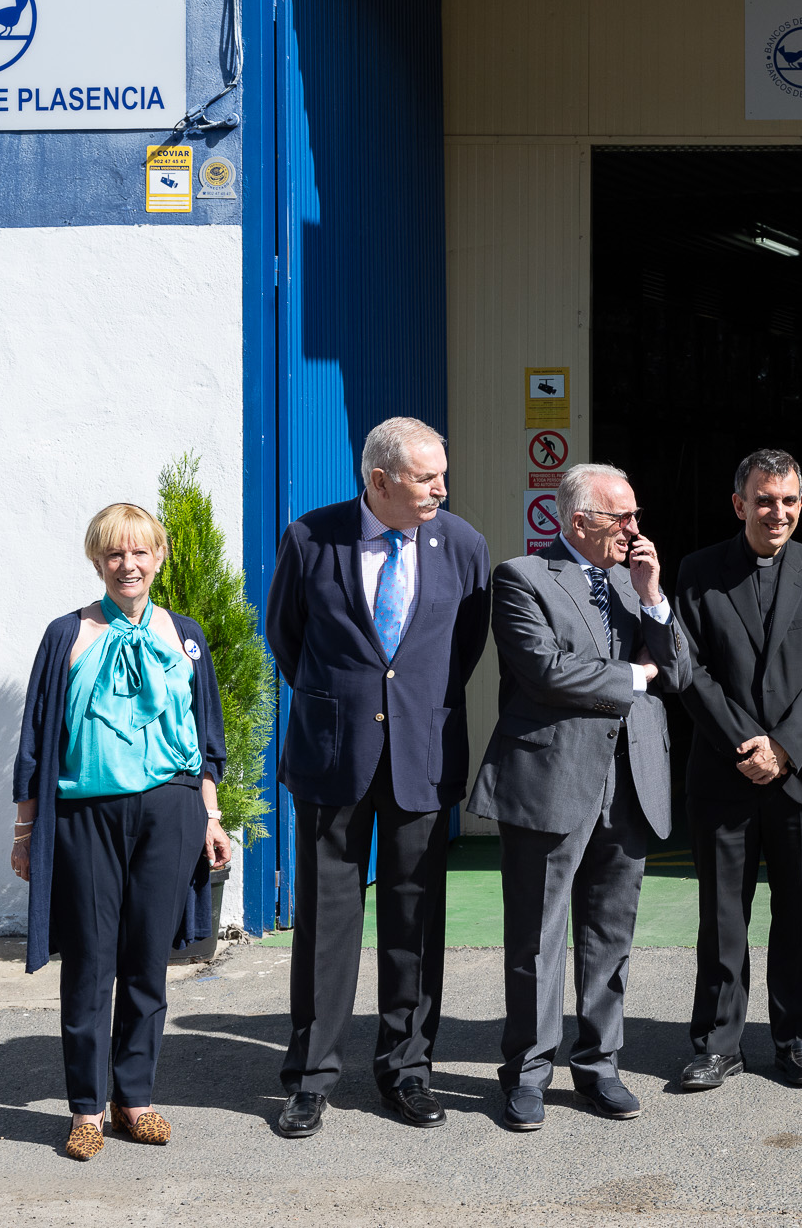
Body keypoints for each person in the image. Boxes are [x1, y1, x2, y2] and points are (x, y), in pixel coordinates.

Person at [265, 417, 493, 1139]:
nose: (441, 489)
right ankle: (309, 1079)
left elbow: (465, 648)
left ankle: (407, 1071)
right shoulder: (311, 538)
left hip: (422, 756)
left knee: (414, 924)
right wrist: (351, 704)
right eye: (427, 478)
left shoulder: (462, 545)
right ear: (379, 481)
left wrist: (408, 707)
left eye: (442, 476)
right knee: (327, 925)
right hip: (334, 758)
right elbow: (287, 638)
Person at [471, 462, 692, 1131]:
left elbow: (678, 672)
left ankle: (599, 1066)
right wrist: (633, 673)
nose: (633, 531)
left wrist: (654, 598)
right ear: (578, 522)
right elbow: (545, 671)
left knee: (610, 937)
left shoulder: (635, 582)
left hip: (630, 784)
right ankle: (528, 1073)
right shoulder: (523, 578)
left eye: (635, 518)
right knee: (536, 939)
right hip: (551, 782)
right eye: (620, 519)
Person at [10, 503, 232, 1161]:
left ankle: (134, 1099)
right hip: (86, 815)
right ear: (97, 561)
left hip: (170, 810)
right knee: (88, 962)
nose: (127, 565)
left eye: (139, 552)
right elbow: (34, 738)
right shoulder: (65, 635)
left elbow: (206, 738)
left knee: (146, 962)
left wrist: (211, 818)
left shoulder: (184, 635)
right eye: (114, 554)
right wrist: (26, 831)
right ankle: (85, 1109)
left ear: (158, 557)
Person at [673, 449, 802, 1091]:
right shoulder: (696, 574)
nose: (776, 512)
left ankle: (797, 1036)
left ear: (801, 504)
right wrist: (746, 744)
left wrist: (783, 747)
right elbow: (688, 672)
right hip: (724, 775)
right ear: (738, 504)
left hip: (798, 774)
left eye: (789, 501)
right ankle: (718, 1042)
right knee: (723, 914)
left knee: (799, 914)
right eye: (764, 500)